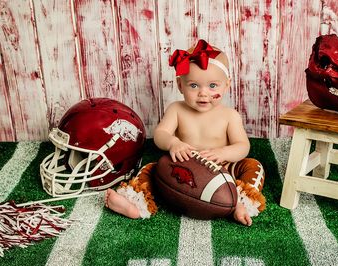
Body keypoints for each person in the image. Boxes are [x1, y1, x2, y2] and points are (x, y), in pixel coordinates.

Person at [105, 39, 265, 226]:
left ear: (227, 85)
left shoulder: (229, 116)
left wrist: (223, 153)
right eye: (194, 86)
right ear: (180, 85)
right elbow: (160, 134)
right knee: (151, 169)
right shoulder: (177, 109)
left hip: (222, 169)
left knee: (253, 166)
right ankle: (135, 203)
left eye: (213, 86)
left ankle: (241, 202)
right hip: (182, 168)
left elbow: (242, 146)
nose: (203, 93)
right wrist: (173, 143)